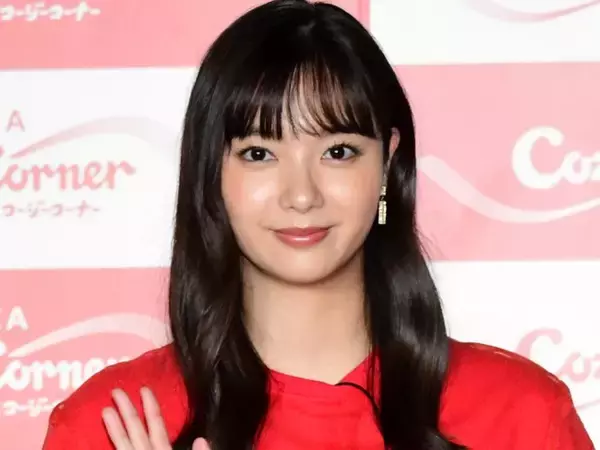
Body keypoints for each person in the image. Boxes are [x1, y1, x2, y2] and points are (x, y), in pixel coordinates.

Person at [42, 1, 594, 449]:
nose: (301, 194)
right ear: (211, 172)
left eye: (338, 152)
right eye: (259, 153)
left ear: (387, 163)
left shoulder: (520, 415)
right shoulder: (112, 425)